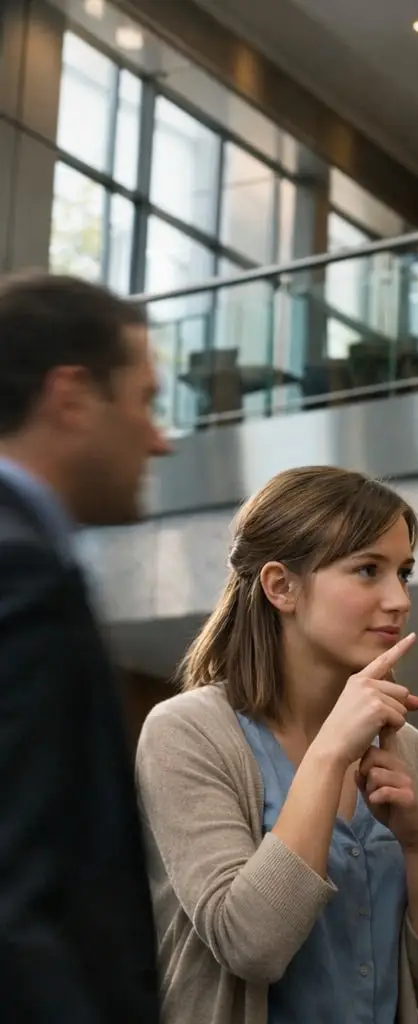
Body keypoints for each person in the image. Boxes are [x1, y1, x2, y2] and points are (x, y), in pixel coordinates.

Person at [135, 466, 418, 1024]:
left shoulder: (409, 751)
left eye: (404, 573)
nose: (398, 599)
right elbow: (251, 946)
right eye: (368, 570)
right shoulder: (187, 732)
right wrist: (328, 755)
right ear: (281, 587)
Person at [0, 272, 168, 1021]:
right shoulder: (21, 572)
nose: (159, 439)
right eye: (144, 401)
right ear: (70, 397)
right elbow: (23, 898)